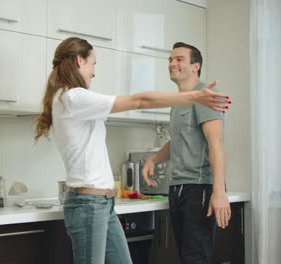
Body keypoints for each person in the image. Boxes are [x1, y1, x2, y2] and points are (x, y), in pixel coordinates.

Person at [34, 37, 230, 264]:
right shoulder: (73, 98)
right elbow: (140, 101)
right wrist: (194, 96)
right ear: (79, 61)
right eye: (93, 64)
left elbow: (211, 143)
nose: (94, 72)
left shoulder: (73, 98)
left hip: (103, 203)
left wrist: (154, 159)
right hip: (89, 204)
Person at [141, 42, 231, 264]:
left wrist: (218, 192)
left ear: (195, 66)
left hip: (199, 189)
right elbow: (179, 140)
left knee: (195, 259)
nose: (172, 63)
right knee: (186, 258)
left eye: (179, 59)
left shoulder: (205, 96)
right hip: (178, 189)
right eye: (170, 60)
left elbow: (215, 143)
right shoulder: (179, 102)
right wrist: (153, 159)